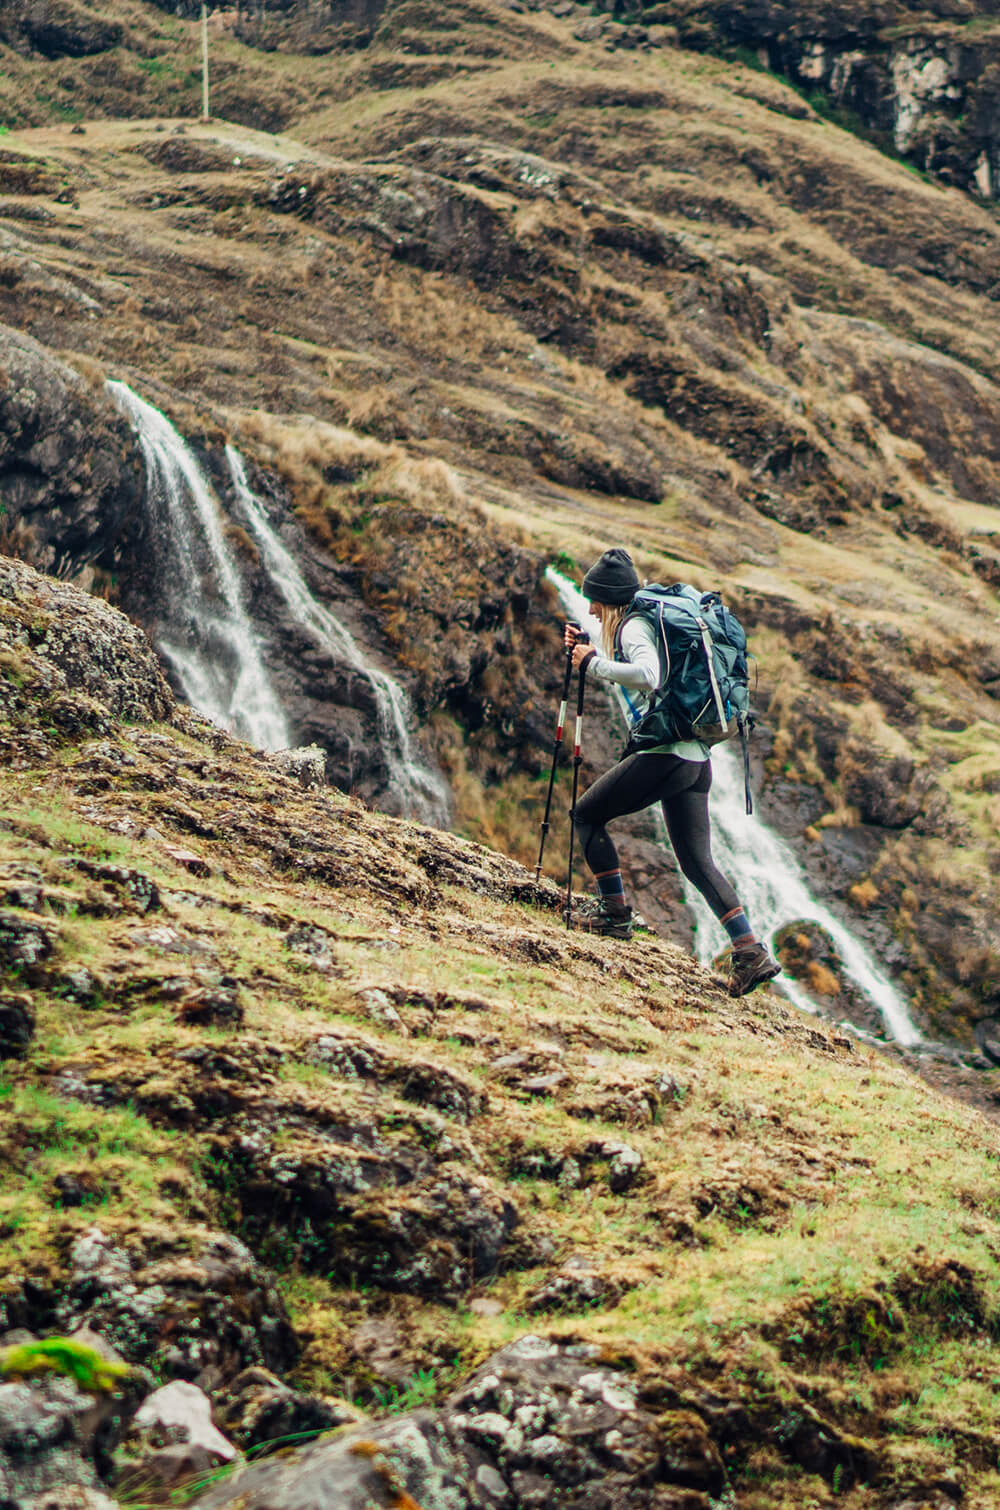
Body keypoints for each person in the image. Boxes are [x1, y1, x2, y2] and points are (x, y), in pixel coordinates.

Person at [564, 546, 781, 999]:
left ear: (611, 600)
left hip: (665, 756)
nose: (589, 608)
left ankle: (613, 914)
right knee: (698, 862)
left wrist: (592, 664)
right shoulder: (644, 621)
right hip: (695, 760)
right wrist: (589, 648)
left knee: (586, 816)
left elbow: (649, 675)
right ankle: (750, 952)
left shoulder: (635, 625)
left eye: (595, 602)